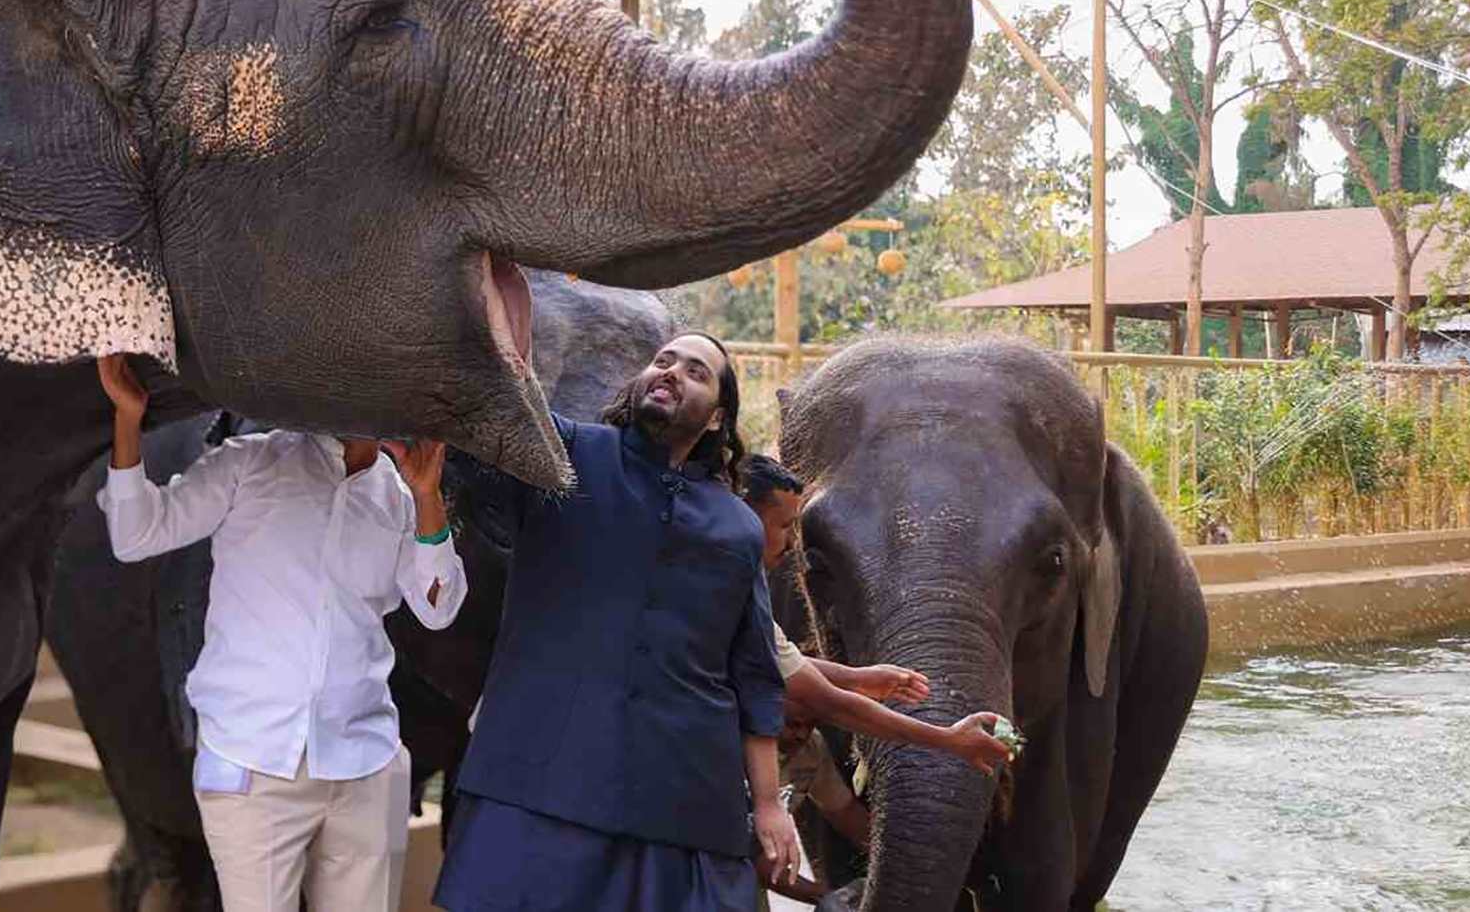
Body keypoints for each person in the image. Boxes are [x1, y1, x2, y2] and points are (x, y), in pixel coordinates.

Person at [434, 333, 799, 912]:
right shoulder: (562, 455)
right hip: (540, 783)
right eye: (663, 361)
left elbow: (753, 674)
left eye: (696, 371)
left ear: (717, 419)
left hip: (682, 802)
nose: (672, 371)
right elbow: (474, 425)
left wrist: (769, 803)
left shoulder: (738, 528)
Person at [94, 354, 466, 912]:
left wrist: (427, 495)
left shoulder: (399, 496)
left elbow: (439, 606)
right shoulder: (251, 462)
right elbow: (135, 534)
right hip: (253, 762)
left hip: (365, 768)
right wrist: (128, 419)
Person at [741, 454, 1012, 907]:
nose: (790, 544)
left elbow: (789, 666)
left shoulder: (743, 601)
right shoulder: (731, 600)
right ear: (745, 521)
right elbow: (831, 703)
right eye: (784, 526)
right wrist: (947, 740)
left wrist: (859, 677)